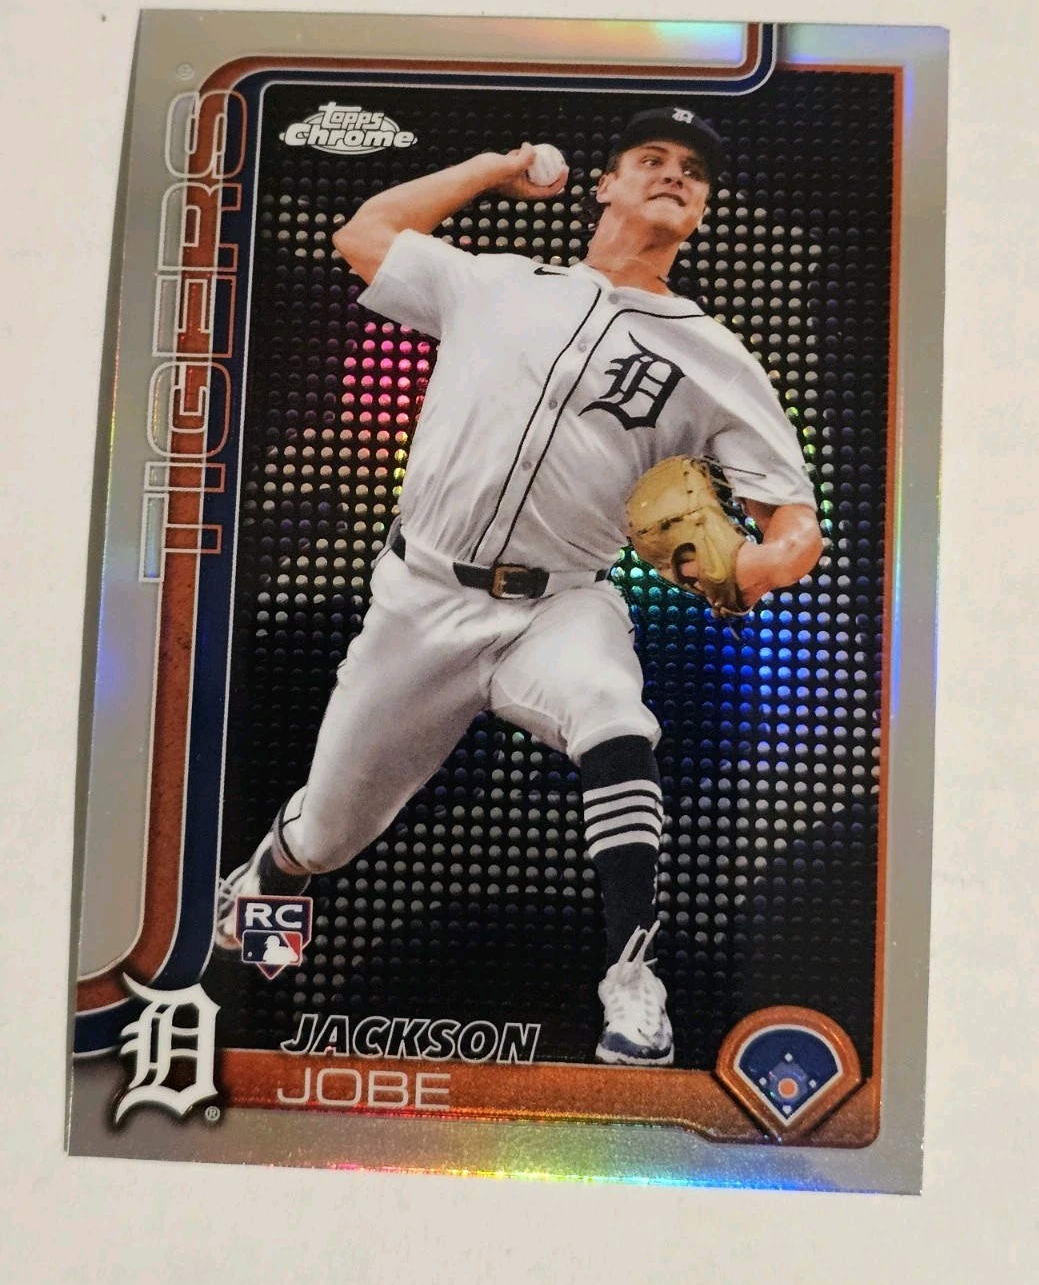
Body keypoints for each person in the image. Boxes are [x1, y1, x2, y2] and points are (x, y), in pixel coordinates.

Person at [216, 107, 822, 1067]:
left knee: (612, 713)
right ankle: (272, 874)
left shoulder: (715, 358)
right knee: (329, 834)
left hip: (560, 603)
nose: (673, 174)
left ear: (703, 210)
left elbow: (793, 521)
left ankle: (632, 982)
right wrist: (491, 166)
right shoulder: (494, 283)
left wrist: (760, 564)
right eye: (650, 158)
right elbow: (365, 235)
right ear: (605, 185)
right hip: (422, 600)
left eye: (693, 171)